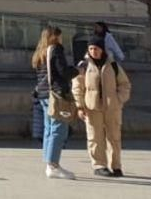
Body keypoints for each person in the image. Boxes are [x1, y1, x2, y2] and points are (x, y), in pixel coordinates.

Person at [72, 38, 131, 178]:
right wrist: (80, 106)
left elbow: (125, 84)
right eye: (91, 49)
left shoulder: (113, 65)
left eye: (96, 49)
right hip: (92, 108)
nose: (94, 51)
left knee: (114, 137)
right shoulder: (84, 65)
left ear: (102, 49)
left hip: (112, 107)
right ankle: (99, 165)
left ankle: (116, 166)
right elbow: (77, 87)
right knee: (95, 137)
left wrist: (119, 99)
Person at [32, 25, 77, 179]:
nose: (61, 38)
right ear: (55, 36)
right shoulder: (56, 49)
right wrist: (77, 70)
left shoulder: (40, 52)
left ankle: (49, 163)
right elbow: (63, 72)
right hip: (56, 95)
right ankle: (53, 165)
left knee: (49, 129)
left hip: (44, 95)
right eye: (60, 35)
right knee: (59, 129)